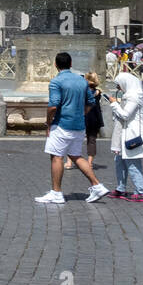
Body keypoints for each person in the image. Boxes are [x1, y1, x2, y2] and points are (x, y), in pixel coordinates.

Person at [35, 52, 109, 204]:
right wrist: (81, 114)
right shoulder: (81, 81)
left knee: (56, 156)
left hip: (62, 124)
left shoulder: (56, 82)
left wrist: (48, 123)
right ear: (71, 64)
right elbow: (91, 101)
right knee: (76, 156)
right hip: (79, 125)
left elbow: (53, 106)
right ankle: (97, 185)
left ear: (55, 65)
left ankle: (56, 193)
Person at [104, 71, 143, 201]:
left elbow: (126, 114)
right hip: (127, 132)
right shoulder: (129, 95)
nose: (118, 88)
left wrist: (114, 104)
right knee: (119, 160)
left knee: (132, 162)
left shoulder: (134, 96)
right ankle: (121, 188)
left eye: (118, 85)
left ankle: (141, 191)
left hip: (134, 133)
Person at [84, 71, 105, 162]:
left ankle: (69, 162)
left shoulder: (83, 91)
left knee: (75, 139)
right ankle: (89, 162)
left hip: (83, 116)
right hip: (95, 118)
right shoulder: (98, 92)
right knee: (92, 139)